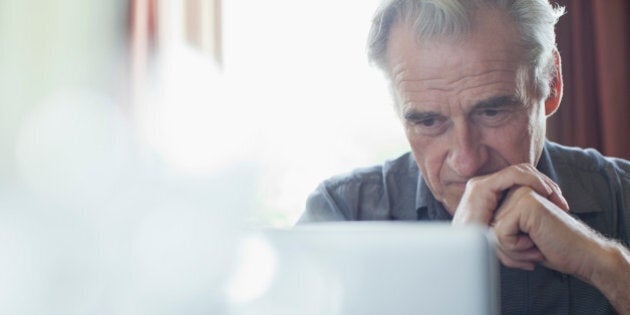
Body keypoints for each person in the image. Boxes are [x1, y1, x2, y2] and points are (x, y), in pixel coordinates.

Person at [298, 0, 630, 314]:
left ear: (551, 83)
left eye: (492, 112)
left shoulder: (622, 195)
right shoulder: (341, 215)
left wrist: (603, 265)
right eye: (428, 121)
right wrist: (454, 265)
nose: (467, 162)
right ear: (398, 108)